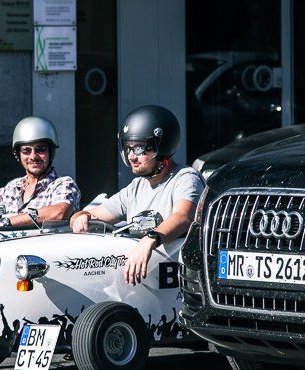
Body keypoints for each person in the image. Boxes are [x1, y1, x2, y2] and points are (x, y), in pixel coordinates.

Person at [70, 105, 205, 285]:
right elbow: (94, 214)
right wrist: (80, 218)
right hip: (145, 283)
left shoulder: (185, 178)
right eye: (128, 148)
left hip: (179, 284)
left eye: (140, 148)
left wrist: (149, 240)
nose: (132, 156)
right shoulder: (136, 188)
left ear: (163, 146)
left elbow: (183, 217)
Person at [0, 116, 80, 227]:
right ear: (18, 155)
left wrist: (4, 223)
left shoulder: (63, 183)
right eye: (26, 151)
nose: (33, 156)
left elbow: (59, 212)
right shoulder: (13, 187)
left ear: (51, 152)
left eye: (40, 149)